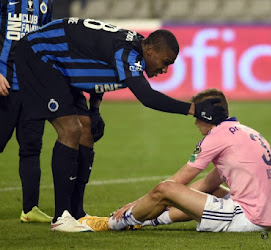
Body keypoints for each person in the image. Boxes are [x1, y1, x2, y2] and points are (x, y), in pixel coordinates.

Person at [14, 18, 226, 232]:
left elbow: (95, 64)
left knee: (86, 131)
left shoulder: (133, 49)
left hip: (61, 64)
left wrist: (94, 108)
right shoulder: (127, 53)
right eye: (165, 62)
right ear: (150, 51)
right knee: (70, 129)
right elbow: (147, 97)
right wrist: (194, 109)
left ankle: (76, 212)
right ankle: (61, 217)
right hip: (39, 54)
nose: (165, 70)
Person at [79, 88, 271, 233]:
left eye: (198, 116)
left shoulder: (216, 136)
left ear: (207, 116)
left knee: (165, 189)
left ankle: (113, 223)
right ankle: (145, 221)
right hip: (267, 219)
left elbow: (176, 182)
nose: (195, 122)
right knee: (191, 192)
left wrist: (136, 204)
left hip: (247, 219)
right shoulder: (244, 132)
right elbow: (207, 184)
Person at [0, 0, 54, 222]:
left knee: (31, 148)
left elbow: (47, 39)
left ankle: (30, 209)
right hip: (4, 84)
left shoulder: (46, 2)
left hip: (32, 89)